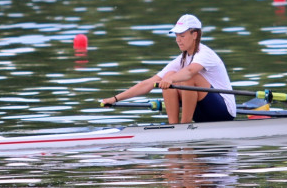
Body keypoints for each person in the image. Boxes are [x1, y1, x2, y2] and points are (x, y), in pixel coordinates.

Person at [101, 14, 237, 124]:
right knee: (170, 74)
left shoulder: (205, 53)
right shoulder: (182, 59)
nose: (178, 40)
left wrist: (171, 79)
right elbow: (148, 83)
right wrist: (115, 99)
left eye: (182, 36)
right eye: (176, 36)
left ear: (194, 35)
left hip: (223, 111)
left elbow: (190, 72)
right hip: (203, 112)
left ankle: (184, 126)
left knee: (187, 77)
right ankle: (174, 126)